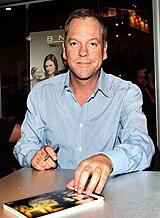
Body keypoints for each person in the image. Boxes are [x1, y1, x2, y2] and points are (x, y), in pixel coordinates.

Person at [14, 9, 154, 196]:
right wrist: (34, 155)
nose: (83, 52)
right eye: (74, 43)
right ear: (64, 51)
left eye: (93, 44)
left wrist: (108, 160)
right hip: (53, 198)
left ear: (104, 51)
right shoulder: (41, 94)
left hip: (111, 198)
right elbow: (24, 144)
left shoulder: (126, 93)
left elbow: (142, 145)